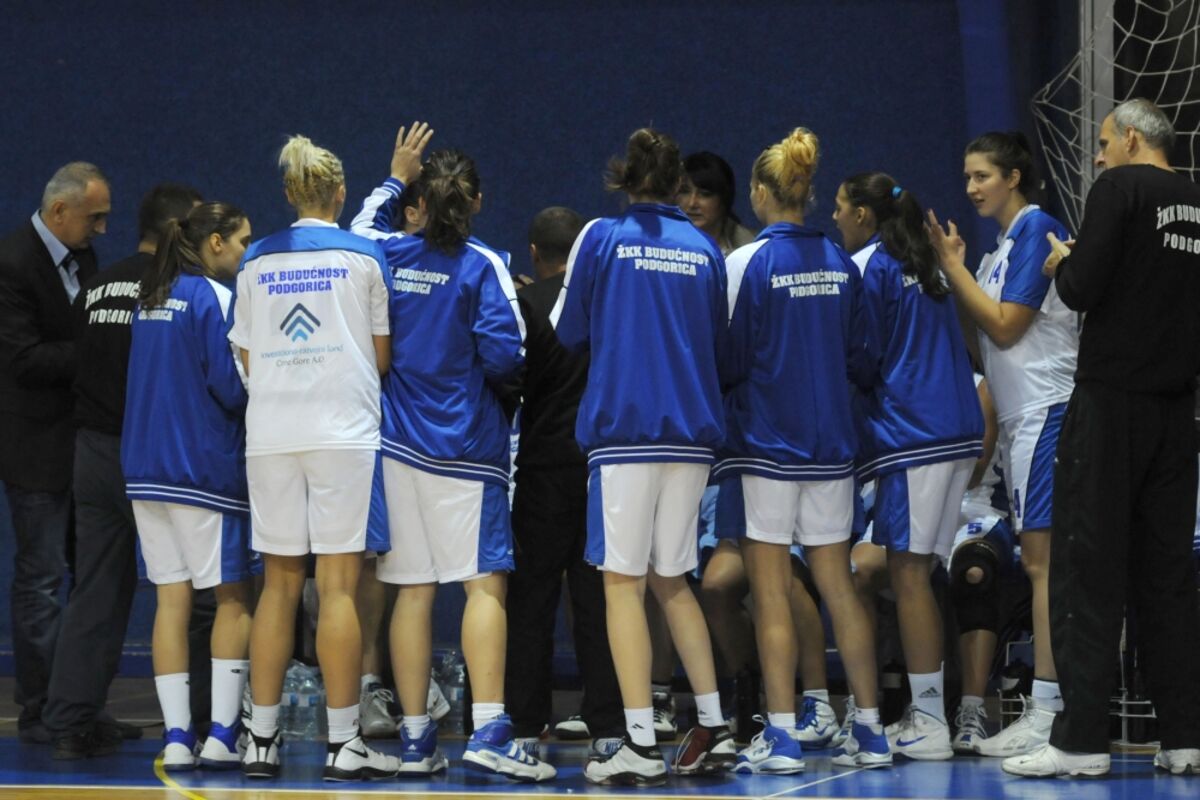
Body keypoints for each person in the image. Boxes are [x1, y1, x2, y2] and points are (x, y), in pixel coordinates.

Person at [1003, 99, 1200, 778]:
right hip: (1177, 412)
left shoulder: (1119, 189)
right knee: (1168, 577)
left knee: (1086, 571)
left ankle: (1081, 742)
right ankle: (1185, 737)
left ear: (1135, 140)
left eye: (1106, 141)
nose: (1098, 155)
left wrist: (1064, 261)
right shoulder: (1197, 202)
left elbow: (1083, 289)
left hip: (1111, 404)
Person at [367, 134, 555, 782]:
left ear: (420, 200)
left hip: (399, 446)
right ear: (476, 201)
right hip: (467, 449)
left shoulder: (386, 252)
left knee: (412, 592)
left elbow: (358, 229)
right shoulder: (484, 264)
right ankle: (491, 731)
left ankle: (417, 740)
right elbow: (506, 355)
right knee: (483, 585)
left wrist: (394, 178)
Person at [554, 127, 737, 786]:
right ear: (678, 185)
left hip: (627, 434)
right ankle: (712, 725)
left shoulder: (600, 237)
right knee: (673, 580)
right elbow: (719, 347)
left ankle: (636, 741)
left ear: (623, 178)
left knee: (622, 586)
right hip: (690, 436)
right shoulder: (705, 248)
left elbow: (566, 331)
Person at [715, 128, 889, 774]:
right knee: (839, 588)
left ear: (761, 193)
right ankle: (871, 730)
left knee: (769, 592)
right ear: (809, 193)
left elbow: (729, 358)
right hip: (832, 449)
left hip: (767, 446)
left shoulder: (746, 263)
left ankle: (783, 735)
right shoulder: (842, 262)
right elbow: (862, 357)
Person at [230, 134, 399, 782]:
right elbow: (380, 357)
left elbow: (246, 355)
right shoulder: (365, 256)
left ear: (288, 194)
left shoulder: (255, 259)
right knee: (337, 588)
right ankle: (343, 743)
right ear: (341, 193)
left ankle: (261, 742)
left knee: (276, 586)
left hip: (272, 434)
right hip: (344, 434)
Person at [927, 131, 1075, 758]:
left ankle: (1048, 711)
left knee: (1044, 565)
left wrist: (954, 269)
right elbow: (985, 339)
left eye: (982, 175)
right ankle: (1047, 707)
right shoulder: (998, 249)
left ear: (1014, 177)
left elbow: (1009, 328)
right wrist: (961, 270)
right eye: (966, 176)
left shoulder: (1038, 229)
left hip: (1048, 409)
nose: (971, 187)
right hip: (1021, 418)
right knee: (1041, 563)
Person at [43, 183, 202, 759]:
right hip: (151, 454)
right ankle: (204, 722)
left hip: (92, 453)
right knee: (194, 589)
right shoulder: (174, 289)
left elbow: (75, 361)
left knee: (95, 591)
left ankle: (71, 720)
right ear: (179, 229)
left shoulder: (95, 286)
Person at [847, 171, 984, 761]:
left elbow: (864, 356)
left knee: (907, 575)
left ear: (863, 215)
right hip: (959, 428)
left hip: (914, 433)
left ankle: (928, 720)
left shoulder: (874, 266)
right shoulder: (932, 261)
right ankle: (930, 714)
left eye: (840, 207)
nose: (835, 218)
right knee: (921, 572)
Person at [120, 201, 255, 770]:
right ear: (215, 242)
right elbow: (232, 387)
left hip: (144, 469)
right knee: (232, 598)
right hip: (201, 468)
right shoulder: (214, 298)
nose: (247, 252)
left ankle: (177, 738)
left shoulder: (150, 298)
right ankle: (222, 736)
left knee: (170, 601)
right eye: (242, 241)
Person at [501, 206, 624, 754]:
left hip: (542, 469)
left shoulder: (526, 307)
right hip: (598, 468)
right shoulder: (604, 305)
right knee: (599, 602)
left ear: (533, 253)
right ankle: (609, 727)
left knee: (533, 601)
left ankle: (526, 726)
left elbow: (510, 380)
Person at [0, 161, 108, 744]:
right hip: (35, 450)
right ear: (60, 210)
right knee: (41, 581)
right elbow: (22, 360)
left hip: (84, 445)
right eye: (95, 217)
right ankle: (40, 708)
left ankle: (78, 704)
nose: (102, 228)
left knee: (90, 578)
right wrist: (97, 352)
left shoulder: (84, 258)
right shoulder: (12, 262)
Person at [678, 152, 757, 255]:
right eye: (684, 192)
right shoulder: (660, 244)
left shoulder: (751, 250)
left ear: (724, 199)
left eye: (705, 194)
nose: (692, 203)